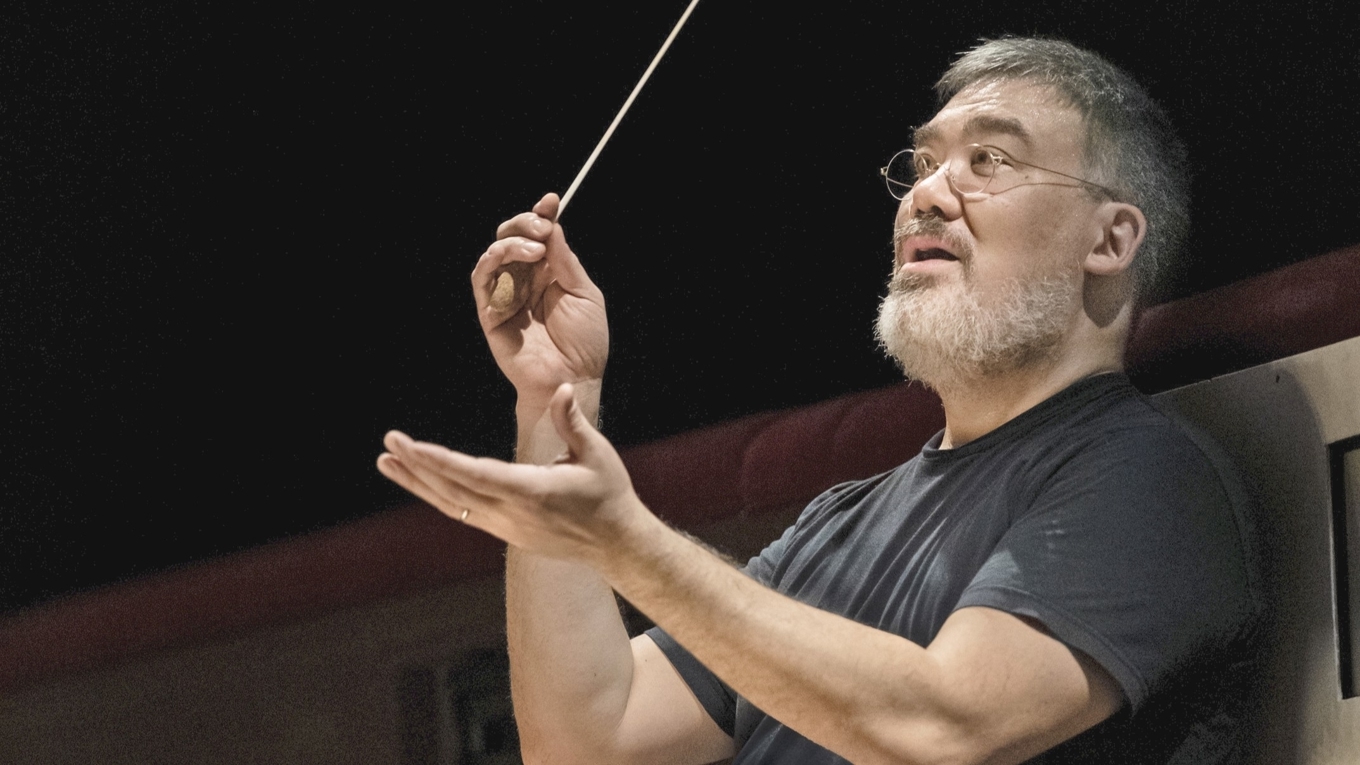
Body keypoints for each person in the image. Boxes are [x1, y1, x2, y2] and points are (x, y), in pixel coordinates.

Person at [377, 37, 1261, 764]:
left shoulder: (1148, 481)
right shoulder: (838, 523)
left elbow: (943, 727)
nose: (926, 193)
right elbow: (589, 738)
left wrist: (630, 542)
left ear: (1110, 238)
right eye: (922, 162)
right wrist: (554, 402)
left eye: (987, 160)